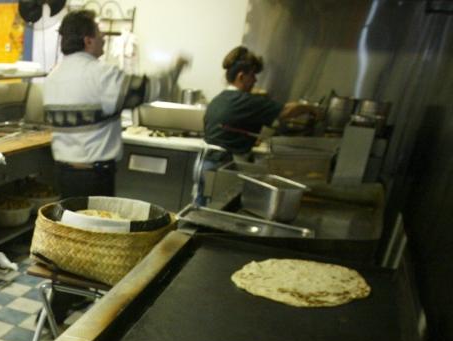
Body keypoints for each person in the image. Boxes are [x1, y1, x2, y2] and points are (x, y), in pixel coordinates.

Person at [42, 10, 187, 321]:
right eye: (100, 33)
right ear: (88, 39)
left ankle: (63, 303)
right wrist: (175, 69)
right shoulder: (100, 75)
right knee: (96, 246)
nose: (105, 39)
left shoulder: (53, 76)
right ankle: (70, 309)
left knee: (72, 241)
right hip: (93, 176)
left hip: (65, 173)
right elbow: (145, 90)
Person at [198, 46, 318, 203]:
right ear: (241, 76)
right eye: (252, 75)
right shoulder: (245, 101)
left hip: (205, 164)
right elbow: (287, 111)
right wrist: (312, 109)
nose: (255, 80)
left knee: (202, 208)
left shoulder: (219, 99)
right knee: (219, 209)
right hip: (224, 168)